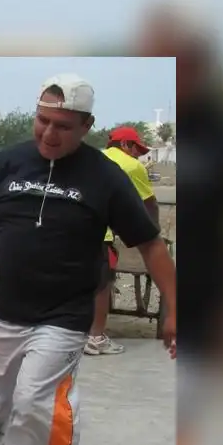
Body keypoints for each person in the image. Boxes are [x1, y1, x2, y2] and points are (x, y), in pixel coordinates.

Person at [0, 74, 177, 445]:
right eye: (42, 120)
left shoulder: (105, 176)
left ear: (87, 127)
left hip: (64, 316)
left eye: (62, 126)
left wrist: (175, 307)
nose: (48, 134)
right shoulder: (9, 162)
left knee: (32, 401)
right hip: (4, 312)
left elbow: (151, 244)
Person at [85, 126, 159, 356]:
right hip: (99, 235)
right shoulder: (131, 166)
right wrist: (152, 234)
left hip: (70, 230)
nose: (138, 154)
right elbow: (149, 205)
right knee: (102, 284)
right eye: (136, 148)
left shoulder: (91, 160)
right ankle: (95, 338)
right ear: (125, 144)